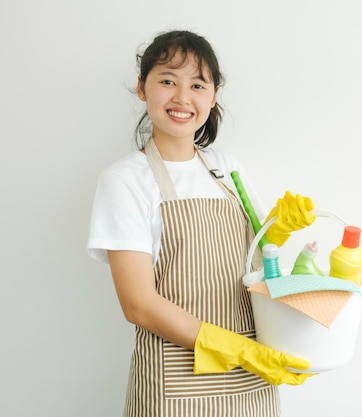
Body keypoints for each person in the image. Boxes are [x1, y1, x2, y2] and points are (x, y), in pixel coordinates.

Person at [87, 30, 316, 417]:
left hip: (250, 378)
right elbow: (138, 304)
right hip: (175, 385)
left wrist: (276, 233)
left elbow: (258, 266)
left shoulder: (227, 170)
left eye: (197, 84)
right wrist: (233, 348)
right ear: (143, 88)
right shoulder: (124, 180)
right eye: (167, 81)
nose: (182, 97)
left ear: (213, 95)